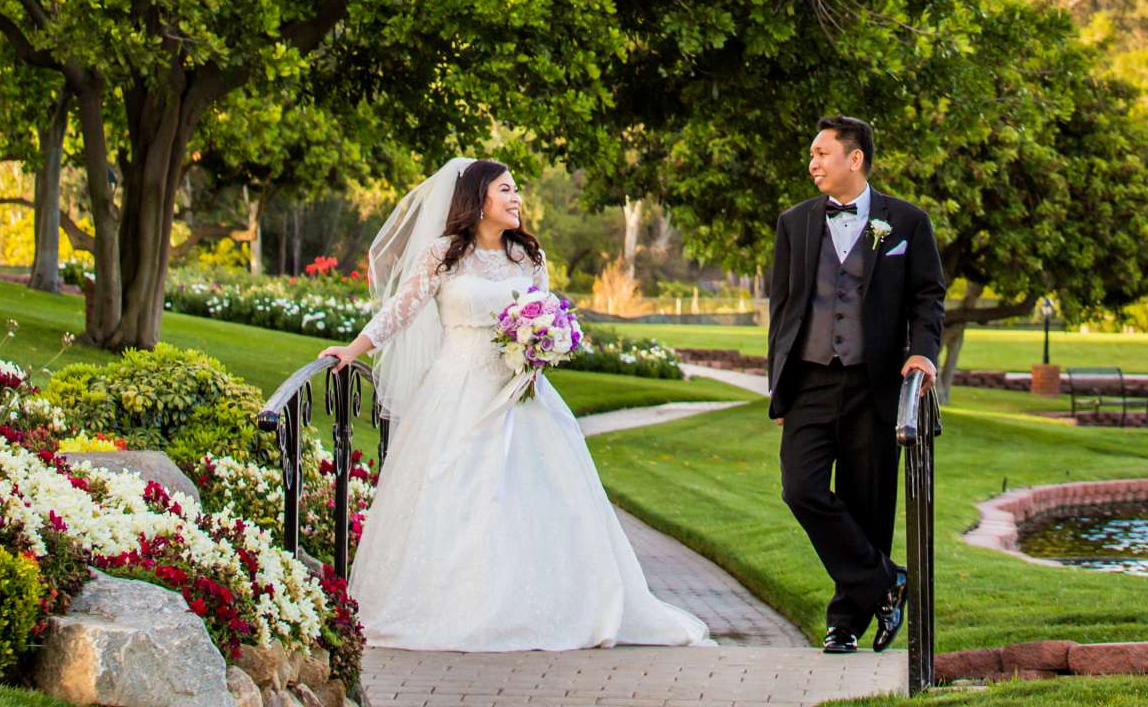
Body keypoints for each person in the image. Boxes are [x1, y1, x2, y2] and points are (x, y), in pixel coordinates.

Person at [319, 156, 708, 652]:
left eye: (516, 189)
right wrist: (351, 351)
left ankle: (548, 607)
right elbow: (401, 311)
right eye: (505, 189)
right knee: (456, 496)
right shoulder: (443, 255)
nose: (516, 198)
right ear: (478, 198)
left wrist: (546, 342)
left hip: (522, 395)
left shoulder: (529, 258)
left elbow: (545, 314)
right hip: (455, 393)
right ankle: (457, 606)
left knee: (537, 496)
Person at [766, 115, 944, 656]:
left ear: (855, 159)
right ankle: (885, 581)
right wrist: (779, 386)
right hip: (811, 382)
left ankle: (845, 623)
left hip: (875, 387)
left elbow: (927, 297)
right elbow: (783, 310)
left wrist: (923, 352)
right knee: (801, 488)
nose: (813, 163)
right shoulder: (793, 223)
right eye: (813, 154)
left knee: (867, 507)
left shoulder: (907, 223)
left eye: (822, 153)